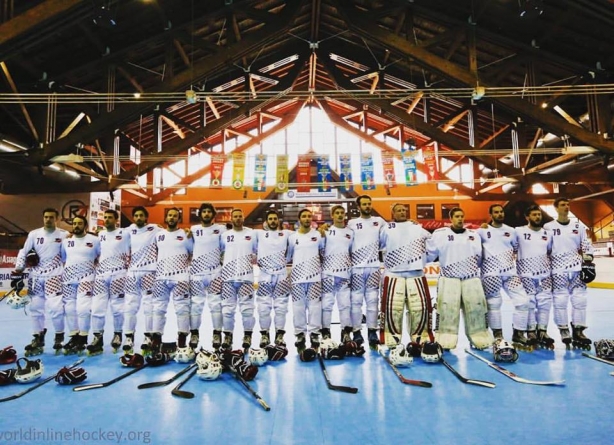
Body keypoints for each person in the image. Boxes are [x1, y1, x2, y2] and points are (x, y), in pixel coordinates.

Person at [426, 207, 492, 350]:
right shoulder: (440, 234)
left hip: (471, 279)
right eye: (457, 216)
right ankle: (445, 338)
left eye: (462, 216)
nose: (460, 219)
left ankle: (479, 337)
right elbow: (429, 253)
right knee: (447, 310)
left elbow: (479, 258)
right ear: (451, 218)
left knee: (477, 309)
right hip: (449, 279)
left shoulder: (474, 235)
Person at [13, 208, 69, 356]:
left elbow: (67, 256)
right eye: (46, 217)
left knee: (56, 309)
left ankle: (59, 336)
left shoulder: (63, 235)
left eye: (51, 217)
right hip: (35, 277)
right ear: (43, 218)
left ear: (56, 219)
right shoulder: (34, 234)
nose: (48, 219)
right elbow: (24, 252)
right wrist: (19, 268)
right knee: (35, 309)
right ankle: (37, 337)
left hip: (54, 277)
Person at [379, 203, 433, 348]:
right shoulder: (386, 228)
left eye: (404, 210)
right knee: (393, 309)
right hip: (393, 274)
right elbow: (379, 244)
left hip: (415, 273)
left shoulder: (417, 227)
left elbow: (432, 243)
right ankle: (392, 339)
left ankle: (420, 337)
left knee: (419, 308)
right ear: (393, 214)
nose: (402, 212)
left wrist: (423, 260)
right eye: (399, 210)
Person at [477, 204, 531, 349]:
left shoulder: (511, 231)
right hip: (490, 274)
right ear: (491, 214)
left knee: (523, 301)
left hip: (510, 273)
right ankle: (498, 335)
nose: (500, 214)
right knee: (493, 304)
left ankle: (519, 333)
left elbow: (515, 248)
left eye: (501, 212)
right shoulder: (482, 231)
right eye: (496, 212)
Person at [543, 197, 594, 348]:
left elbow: (586, 245)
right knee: (560, 301)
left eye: (568, 204)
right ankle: (564, 329)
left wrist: (589, 260)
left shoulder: (578, 226)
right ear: (556, 208)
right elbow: (545, 248)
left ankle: (578, 329)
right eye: (563, 205)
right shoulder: (548, 227)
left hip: (577, 268)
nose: (566, 207)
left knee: (580, 301)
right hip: (558, 269)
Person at [151, 208, 194, 353]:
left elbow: (192, 253)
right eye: (169, 215)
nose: (172, 218)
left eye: (175, 216)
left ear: (178, 219)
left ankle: (182, 342)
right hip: (161, 277)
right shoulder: (159, 235)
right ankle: (156, 341)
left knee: (182, 309)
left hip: (180, 278)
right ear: (166, 217)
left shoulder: (186, 235)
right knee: (158, 309)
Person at [346, 195, 386, 347]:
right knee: (355, 302)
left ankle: (372, 331)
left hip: (374, 267)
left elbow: (385, 239)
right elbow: (346, 243)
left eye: (369, 203)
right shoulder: (352, 223)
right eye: (364, 204)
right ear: (358, 207)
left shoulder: (380, 222)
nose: (368, 206)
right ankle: (356, 332)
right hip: (356, 268)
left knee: (372, 301)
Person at [89, 209, 130, 355]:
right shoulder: (100, 235)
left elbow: (142, 233)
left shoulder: (126, 233)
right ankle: (97, 337)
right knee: (96, 308)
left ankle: (118, 334)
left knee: (117, 308)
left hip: (119, 274)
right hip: (101, 275)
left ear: (116, 220)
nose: (106, 220)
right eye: (105, 217)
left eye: (110, 218)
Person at [60, 215, 100, 354]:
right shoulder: (66, 242)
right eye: (74, 223)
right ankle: (74, 337)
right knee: (70, 309)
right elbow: (64, 259)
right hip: (69, 278)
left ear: (85, 226)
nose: (76, 226)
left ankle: (83, 337)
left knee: (83, 308)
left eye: (79, 223)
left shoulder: (95, 240)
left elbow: (100, 257)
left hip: (87, 278)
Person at [516, 205, 555, 349]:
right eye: (534, 215)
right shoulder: (518, 232)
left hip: (544, 275)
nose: (537, 217)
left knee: (545, 303)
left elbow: (550, 251)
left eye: (539, 214)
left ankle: (543, 331)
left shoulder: (547, 233)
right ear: (527, 217)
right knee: (530, 303)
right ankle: (531, 331)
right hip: (526, 274)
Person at [286, 209, 325, 352]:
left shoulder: (318, 235)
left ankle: (315, 334)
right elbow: (288, 257)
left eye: (309, 216)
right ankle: (300, 334)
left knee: (315, 307)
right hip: (297, 278)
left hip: (314, 277)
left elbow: (323, 253)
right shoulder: (292, 237)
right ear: (299, 219)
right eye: (304, 216)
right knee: (298, 308)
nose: (307, 218)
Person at [219, 208, 258, 350]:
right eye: (235, 216)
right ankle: (227, 337)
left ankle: (248, 335)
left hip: (246, 278)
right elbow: (220, 250)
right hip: (228, 278)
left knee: (247, 310)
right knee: (227, 310)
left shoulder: (252, 234)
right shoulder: (224, 236)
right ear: (231, 219)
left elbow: (258, 249)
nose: (237, 219)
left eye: (240, 216)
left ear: (243, 218)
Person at [124, 206, 160, 354]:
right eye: (136, 215)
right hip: (132, 273)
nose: (138, 218)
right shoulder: (128, 230)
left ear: (146, 217)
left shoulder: (155, 229)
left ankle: (148, 336)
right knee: (130, 306)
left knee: (149, 306)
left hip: (149, 272)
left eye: (141, 215)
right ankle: (128, 337)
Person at [189, 203, 226, 350]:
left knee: (216, 305)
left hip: (215, 273)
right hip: (197, 273)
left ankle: (217, 334)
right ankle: (194, 334)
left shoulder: (221, 230)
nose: (206, 214)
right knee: (196, 305)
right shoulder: (192, 230)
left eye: (208, 212)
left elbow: (225, 247)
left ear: (213, 214)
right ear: (200, 214)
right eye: (203, 212)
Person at [255, 210, 291, 347]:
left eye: (275, 218)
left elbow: (303, 235)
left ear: (278, 221)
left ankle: (280, 335)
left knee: (281, 307)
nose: (273, 221)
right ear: (266, 221)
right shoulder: (258, 234)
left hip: (281, 275)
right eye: (270, 219)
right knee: (263, 307)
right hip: (264, 275)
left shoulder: (287, 234)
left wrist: (323, 229)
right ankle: (264, 335)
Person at [320, 205, 353, 343]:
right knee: (327, 304)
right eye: (337, 213)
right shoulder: (325, 232)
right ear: (332, 215)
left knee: (345, 304)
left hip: (344, 274)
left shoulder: (351, 233)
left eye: (342, 213)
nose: (340, 215)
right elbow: (320, 250)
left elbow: (351, 251)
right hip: (328, 274)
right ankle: (325, 332)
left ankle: (345, 332)